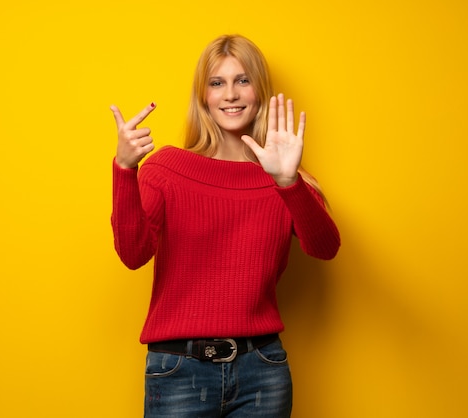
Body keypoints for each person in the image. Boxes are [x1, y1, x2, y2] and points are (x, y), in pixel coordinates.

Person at [110, 34, 340, 418]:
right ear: (204, 97)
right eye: (217, 83)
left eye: (242, 80)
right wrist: (124, 170)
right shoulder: (166, 169)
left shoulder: (283, 177)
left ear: (260, 91)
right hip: (179, 370)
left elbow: (325, 247)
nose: (230, 94)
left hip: (262, 370)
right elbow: (133, 255)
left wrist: (289, 183)